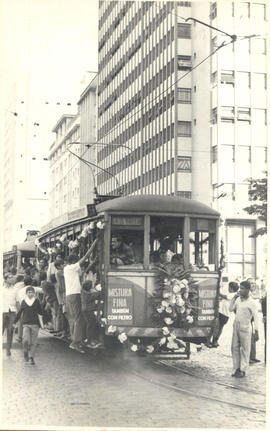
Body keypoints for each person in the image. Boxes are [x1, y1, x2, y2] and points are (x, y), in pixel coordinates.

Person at [64, 239, 98, 353]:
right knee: (79, 319)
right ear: (73, 262)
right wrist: (93, 244)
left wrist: (93, 262)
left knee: (77, 318)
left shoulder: (69, 269)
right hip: (74, 294)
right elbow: (85, 257)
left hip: (71, 295)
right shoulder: (71, 267)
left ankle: (77, 340)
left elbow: (83, 272)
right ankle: (75, 343)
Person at [229, 280, 259, 378]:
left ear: (247, 290)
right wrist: (233, 298)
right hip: (236, 326)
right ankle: (236, 368)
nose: (240, 290)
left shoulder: (252, 302)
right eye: (240, 288)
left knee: (245, 349)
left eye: (242, 288)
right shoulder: (238, 300)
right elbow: (230, 309)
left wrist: (256, 331)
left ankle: (243, 370)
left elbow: (256, 318)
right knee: (234, 348)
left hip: (246, 327)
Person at [13, 285, 44, 365]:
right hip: (26, 323)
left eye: (32, 292)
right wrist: (15, 321)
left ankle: (31, 357)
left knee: (34, 342)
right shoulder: (24, 301)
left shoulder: (37, 301)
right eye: (29, 292)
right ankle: (26, 351)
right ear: (26, 293)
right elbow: (20, 312)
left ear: (34, 293)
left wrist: (44, 321)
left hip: (35, 324)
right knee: (25, 340)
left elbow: (41, 312)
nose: (30, 294)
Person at [210, 281, 239, 348]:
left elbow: (225, 297)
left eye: (229, 287)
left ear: (231, 288)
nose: (228, 289)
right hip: (225, 313)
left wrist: (218, 292)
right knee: (220, 327)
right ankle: (215, 341)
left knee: (218, 327)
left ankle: (214, 341)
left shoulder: (233, 295)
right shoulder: (233, 294)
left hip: (223, 313)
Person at [81, 280, 104, 349]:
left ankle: (88, 340)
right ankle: (89, 341)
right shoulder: (88, 295)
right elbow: (96, 295)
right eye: (91, 285)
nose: (92, 286)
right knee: (90, 325)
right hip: (88, 311)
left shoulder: (84, 292)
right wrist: (100, 290)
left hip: (86, 310)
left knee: (89, 325)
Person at [2, 273, 17, 356]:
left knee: (10, 330)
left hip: (12, 312)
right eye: (10, 278)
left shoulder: (14, 290)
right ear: (6, 279)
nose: (12, 279)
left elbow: (17, 301)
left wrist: (18, 314)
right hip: (3, 311)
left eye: (12, 277)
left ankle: (8, 349)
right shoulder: (2, 289)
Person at [247, 278, 261, 364]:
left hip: (252, 319)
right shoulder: (247, 294)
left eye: (254, 283)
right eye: (251, 283)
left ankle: (252, 356)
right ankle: (249, 357)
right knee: (249, 339)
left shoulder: (252, 294)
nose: (253, 285)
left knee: (253, 338)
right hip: (248, 319)